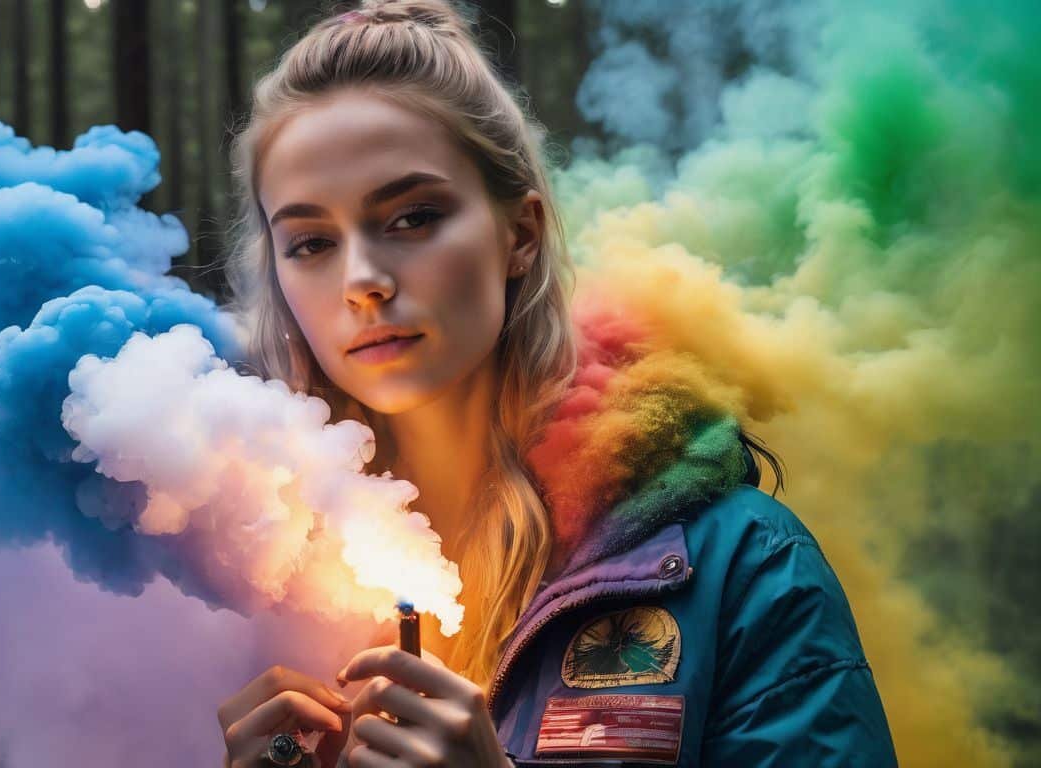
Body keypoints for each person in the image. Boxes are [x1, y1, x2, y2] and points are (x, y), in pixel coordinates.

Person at [215, 1, 897, 766]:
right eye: (310, 242)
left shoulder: (742, 565)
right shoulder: (243, 573)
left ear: (522, 235)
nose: (363, 282)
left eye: (412, 218)